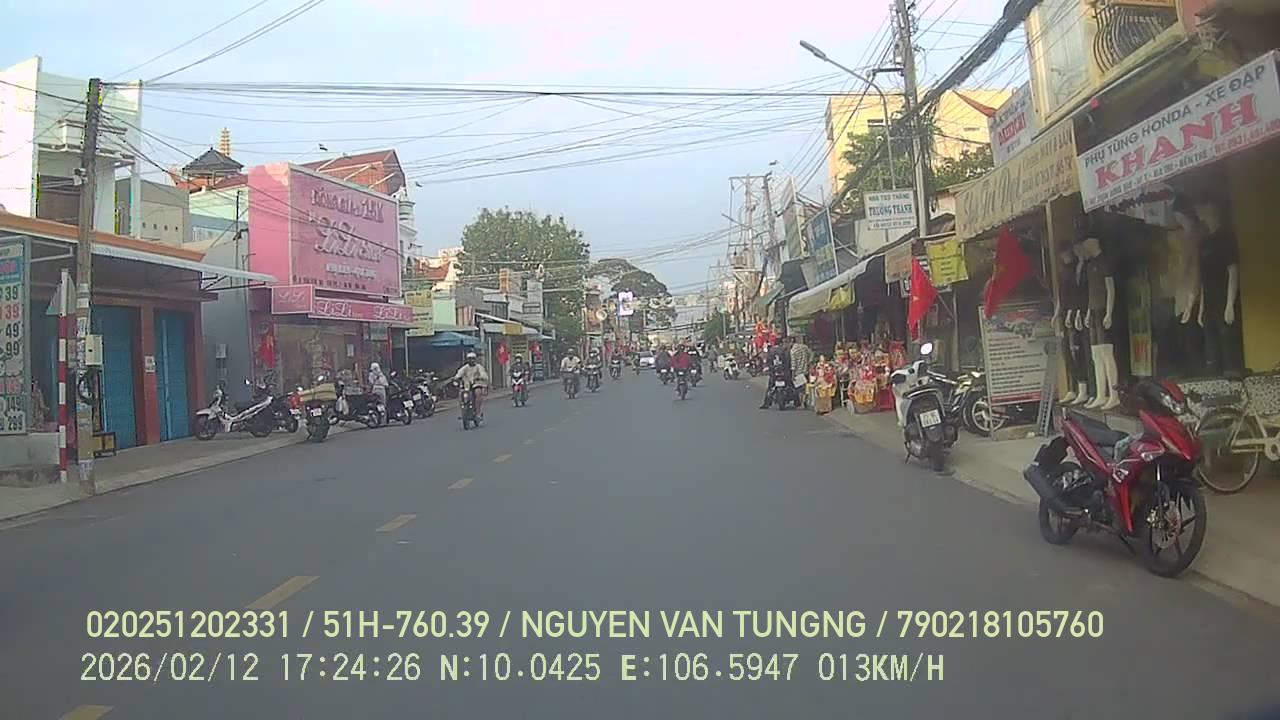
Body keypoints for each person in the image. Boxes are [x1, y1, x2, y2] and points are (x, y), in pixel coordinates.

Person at [451, 351, 490, 417]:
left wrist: (480, 377)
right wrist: (456, 378)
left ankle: (478, 412)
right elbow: (459, 374)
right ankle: (463, 408)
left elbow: (484, 374)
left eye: (472, 359)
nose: (471, 360)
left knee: (478, 393)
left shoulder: (478, 367)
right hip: (466, 385)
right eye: (469, 359)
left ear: (475, 359)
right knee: (461, 393)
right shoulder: (465, 368)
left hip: (476, 384)